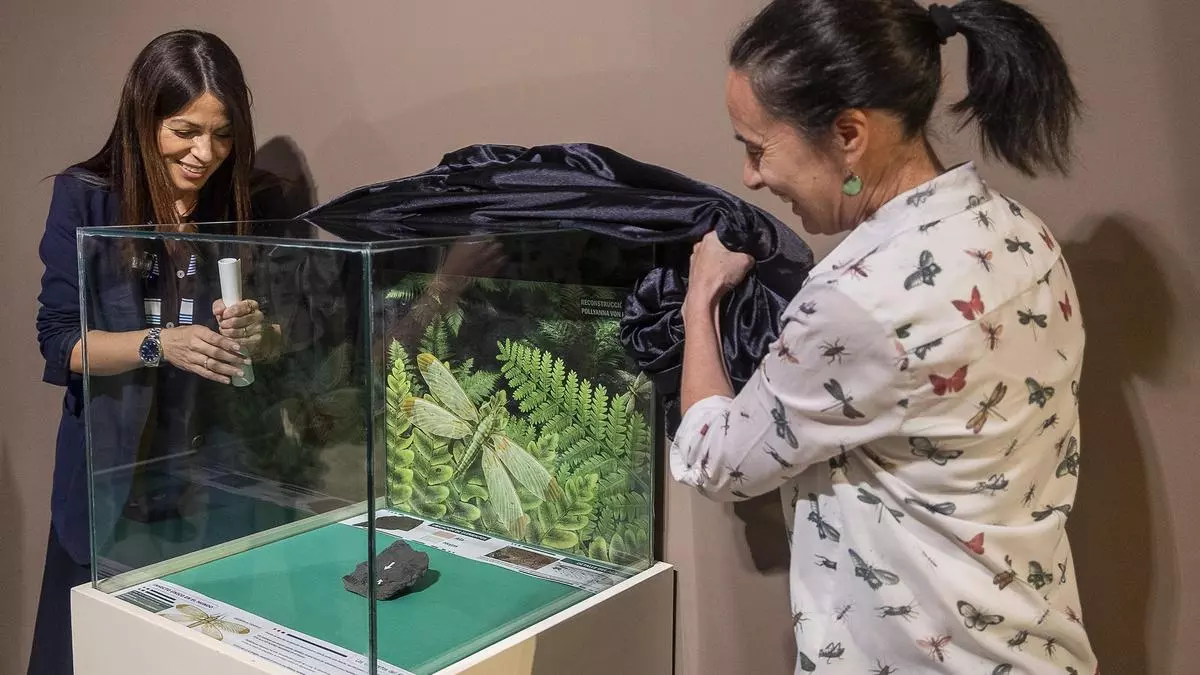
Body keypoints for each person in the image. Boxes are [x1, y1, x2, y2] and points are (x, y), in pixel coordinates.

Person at [673, 0, 1098, 672]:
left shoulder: (856, 303)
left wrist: (700, 301)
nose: (751, 177)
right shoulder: (1025, 236)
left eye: (757, 149)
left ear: (849, 134)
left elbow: (715, 459)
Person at [31, 29, 290, 675]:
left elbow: (296, 332)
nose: (206, 153)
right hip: (113, 476)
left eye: (223, 134)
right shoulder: (87, 195)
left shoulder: (255, 201)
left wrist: (265, 332)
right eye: (184, 130)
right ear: (142, 119)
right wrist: (158, 344)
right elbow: (60, 340)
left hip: (215, 475)